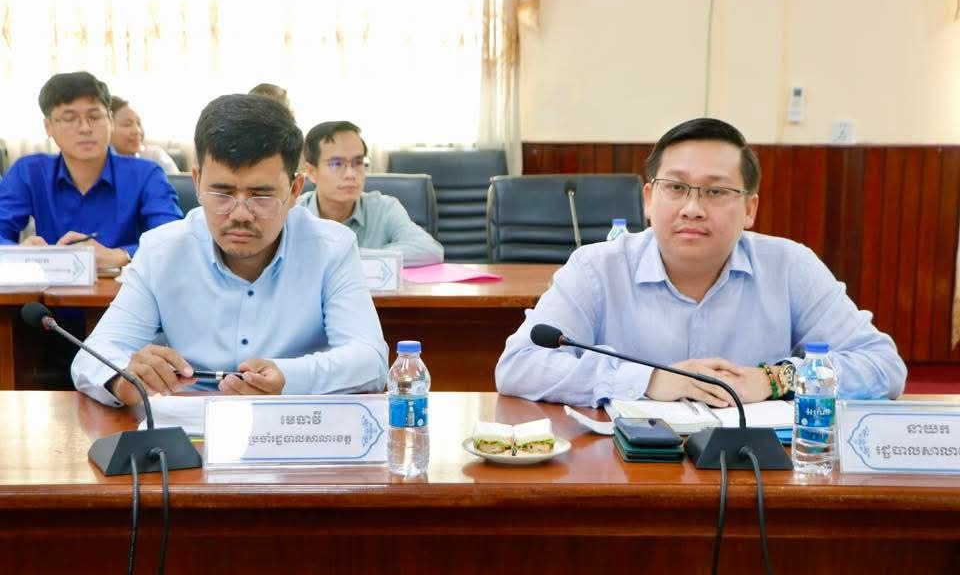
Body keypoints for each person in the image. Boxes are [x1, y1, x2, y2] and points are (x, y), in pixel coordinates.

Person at [496, 117, 906, 407]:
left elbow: (882, 365)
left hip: (757, 475)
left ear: (750, 209)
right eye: (676, 188)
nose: (692, 208)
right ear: (648, 200)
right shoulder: (596, 269)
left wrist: (774, 379)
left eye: (716, 192)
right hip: (626, 470)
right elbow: (519, 365)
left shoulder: (789, 267)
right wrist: (649, 379)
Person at [72, 94, 388, 406]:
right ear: (197, 181)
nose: (240, 214)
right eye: (222, 193)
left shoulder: (331, 248)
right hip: (189, 424)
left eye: (261, 196)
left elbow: (369, 359)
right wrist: (124, 380)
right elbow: (93, 356)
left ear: (294, 190)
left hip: (293, 420)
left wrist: (288, 378)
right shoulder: (162, 250)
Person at [0, 71, 182, 269]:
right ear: (48, 126)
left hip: (126, 286)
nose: (85, 128)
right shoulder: (29, 172)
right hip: (50, 286)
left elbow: (172, 239)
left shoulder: (146, 174)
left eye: (94, 117)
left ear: (110, 120)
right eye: (69, 118)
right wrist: (20, 253)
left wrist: (121, 255)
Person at [298, 121, 443, 267]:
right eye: (336, 164)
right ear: (311, 172)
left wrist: (352, 256)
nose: (350, 174)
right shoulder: (293, 213)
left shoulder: (384, 208)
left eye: (358, 162)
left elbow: (430, 249)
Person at [109, 96, 179, 174]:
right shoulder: (102, 164)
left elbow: (176, 180)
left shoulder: (155, 156)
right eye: (127, 124)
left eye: (138, 124)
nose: (137, 131)